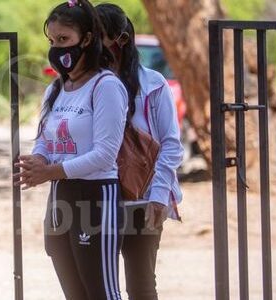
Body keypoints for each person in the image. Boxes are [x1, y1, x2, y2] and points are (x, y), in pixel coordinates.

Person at [14, 0, 127, 299]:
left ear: (87, 39)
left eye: (64, 40)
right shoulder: (55, 89)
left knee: (101, 292)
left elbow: (105, 154)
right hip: (61, 196)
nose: (57, 48)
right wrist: (37, 161)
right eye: (52, 41)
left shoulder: (106, 86)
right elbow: (43, 138)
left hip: (96, 197)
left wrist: (49, 171)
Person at [96, 4, 184, 300]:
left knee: (141, 285)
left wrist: (159, 197)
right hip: (95, 197)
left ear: (119, 40)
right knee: (95, 285)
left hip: (143, 199)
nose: (90, 45)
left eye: (97, 36)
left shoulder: (152, 84)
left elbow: (171, 144)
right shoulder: (82, 85)